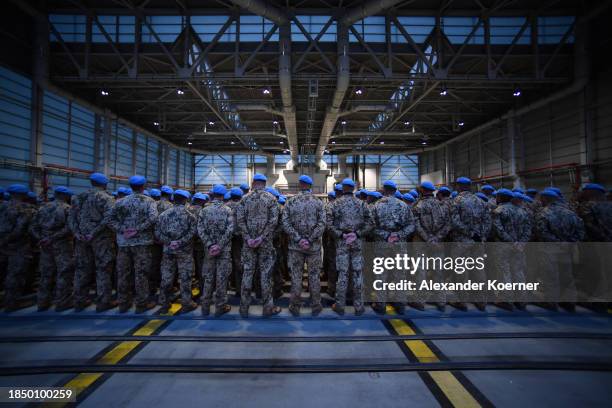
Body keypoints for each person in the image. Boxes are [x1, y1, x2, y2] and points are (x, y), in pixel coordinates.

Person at [106, 175, 158, 313]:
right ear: (143, 186)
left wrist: (122, 230)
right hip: (142, 243)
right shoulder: (149, 201)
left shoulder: (119, 202)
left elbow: (109, 219)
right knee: (141, 273)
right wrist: (138, 229)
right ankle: (141, 304)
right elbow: (153, 218)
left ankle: (123, 303)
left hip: (124, 243)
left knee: (123, 273)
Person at [69, 173, 116, 312]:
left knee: (81, 270)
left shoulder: (78, 197)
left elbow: (71, 218)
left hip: (81, 239)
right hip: (100, 239)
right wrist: (93, 233)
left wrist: (77, 233)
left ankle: (79, 301)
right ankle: (103, 302)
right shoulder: (106, 198)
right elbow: (108, 218)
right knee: (103, 269)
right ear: (105, 184)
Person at [326, 178, 373, 315]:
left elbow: (328, 224)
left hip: (342, 242)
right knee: (358, 273)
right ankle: (359, 306)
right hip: (357, 241)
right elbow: (370, 223)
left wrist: (341, 235)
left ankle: (340, 305)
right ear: (353, 188)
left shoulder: (335, 204)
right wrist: (357, 234)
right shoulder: (362, 204)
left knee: (343, 273)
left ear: (343, 188)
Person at [236, 174, 280, 317]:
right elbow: (273, 222)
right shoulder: (271, 199)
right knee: (266, 275)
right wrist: (262, 237)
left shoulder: (244, 199)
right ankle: (267, 308)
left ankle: (244, 308)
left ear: (253, 183)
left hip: (248, 244)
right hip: (265, 243)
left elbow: (240, 220)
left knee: (247, 273)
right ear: (265, 183)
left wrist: (248, 238)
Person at [281, 175, 326, 316]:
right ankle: (316, 306)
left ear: (300, 184)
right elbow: (322, 224)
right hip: (313, 247)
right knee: (314, 276)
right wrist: (310, 239)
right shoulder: (319, 203)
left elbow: (285, 223)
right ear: (311, 185)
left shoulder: (290, 202)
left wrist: (298, 239)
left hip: (296, 247)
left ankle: (295, 306)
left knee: (296, 276)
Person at [535, 188, 585, 311]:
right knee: (567, 275)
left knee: (550, 276)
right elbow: (580, 232)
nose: (540, 201)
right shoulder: (571, 213)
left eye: (541, 198)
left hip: (550, 249)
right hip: (567, 249)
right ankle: (569, 303)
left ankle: (551, 302)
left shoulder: (543, 213)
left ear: (546, 199)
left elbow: (542, 232)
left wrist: (557, 242)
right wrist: (569, 242)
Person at [370, 180, 415, 314]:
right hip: (399, 244)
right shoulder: (403, 206)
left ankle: (381, 304)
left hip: (382, 243)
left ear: (383, 190)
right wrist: (398, 235)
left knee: (381, 273)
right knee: (400, 274)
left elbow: (371, 226)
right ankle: (400, 304)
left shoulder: (375, 206)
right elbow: (411, 225)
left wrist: (385, 235)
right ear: (395, 191)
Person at [450, 177, 492, 311]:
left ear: (458, 186)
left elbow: (454, 221)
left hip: (462, 241)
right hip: (478, 241)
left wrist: (469, 232)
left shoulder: (456, 201)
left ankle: (462, 301)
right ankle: (481, 301)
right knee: (479, 270)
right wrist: (481, 236)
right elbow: (487, 221)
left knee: (461, 271)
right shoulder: (480, 201)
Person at [30, 186, 75, 311]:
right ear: (65, 196)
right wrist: (54, 238)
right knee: (63, 273)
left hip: (45, 246)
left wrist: (42, 239)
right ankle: (62, 302)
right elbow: (69, 228)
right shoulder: (67, 209)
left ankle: (42, 302)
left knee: (45, 274)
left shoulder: (42, 208)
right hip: (62, 245)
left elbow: (33, 227)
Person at [155, 189, 197, 314]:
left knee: (166, 277)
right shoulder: (190, 216)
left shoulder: (163, 215)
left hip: (168, 250)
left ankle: (164, 303)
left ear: (173, 199)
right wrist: (180, 242)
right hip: (184, 251)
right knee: (185, 277)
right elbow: (193, 232)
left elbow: (157, 232)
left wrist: (169, 242)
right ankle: (186, 303)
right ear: (185, 200)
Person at [490, 189, 532, 311]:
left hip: (504, 246)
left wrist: (511, 241)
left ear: (500, 197)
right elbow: (528, 229)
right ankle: (521, 300)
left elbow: (498, 228)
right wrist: (521, 243)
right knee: (518, 271)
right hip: (519, 247)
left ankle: (506, 299)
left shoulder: (498, 210)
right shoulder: (522, 211)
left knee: (504, 271)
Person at [413, 181, 452, 311]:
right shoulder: (443, 205)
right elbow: (448, 224)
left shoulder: (418, 205)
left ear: (423, 190)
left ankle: (420, 301)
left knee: (420, 271)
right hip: (437, 242)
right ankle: (441, 301)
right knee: (438, 271)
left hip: (421, 242)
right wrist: (437, 238)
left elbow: (416, 224)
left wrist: (427, 238)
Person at [198, 184, 235, 316]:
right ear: (224, 195)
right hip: (223, 250)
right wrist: (219, 245)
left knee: (208, 277)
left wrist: (210, 245)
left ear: (212, 194)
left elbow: (200, 229)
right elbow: (230, 230)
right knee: (221, 278)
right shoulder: (227, 210)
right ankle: (220, 307)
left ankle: (205, 307)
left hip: (209, 250)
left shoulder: (204, 210)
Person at [0, 185, 36, 311]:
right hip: (17, 246)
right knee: (15, 275)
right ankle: (11, 304)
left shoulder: (2, 206)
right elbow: (20, 229)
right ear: (24, 195)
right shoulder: (25, 208)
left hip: (3, 245)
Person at [226, 187, 244, 295]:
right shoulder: (243, 206)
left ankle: (230, 284)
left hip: (227, 239)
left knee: (228, 262)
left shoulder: (226, 206)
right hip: (240, 238)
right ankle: (239, 288)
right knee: (239, 262)